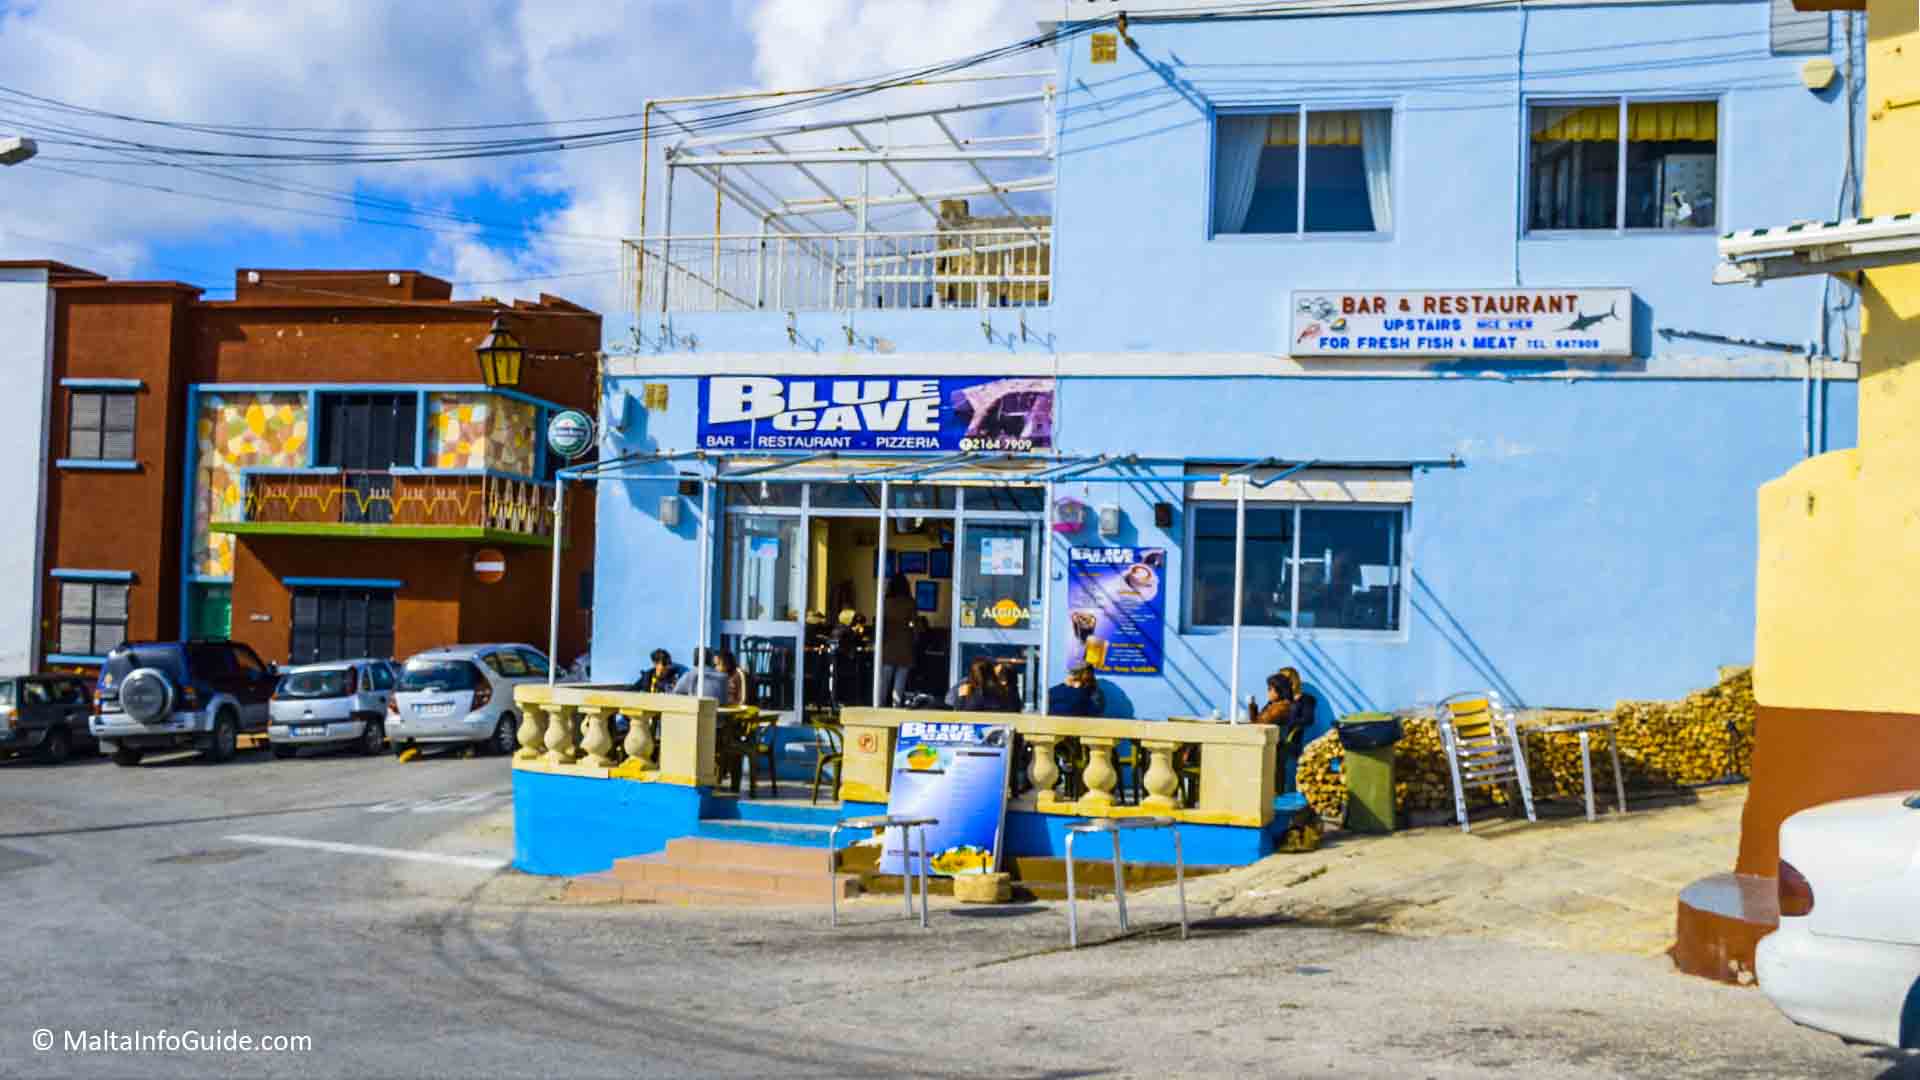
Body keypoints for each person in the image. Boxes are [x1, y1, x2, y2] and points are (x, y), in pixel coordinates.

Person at [878, 573, 919, 707]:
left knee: (884, 682)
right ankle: (896, 708)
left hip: (887, 646)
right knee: (899, 682)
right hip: (905, 646)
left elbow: (879, 624)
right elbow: (914, 625)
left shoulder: (884, 602)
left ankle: (879, 707)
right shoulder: (910, 602)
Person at [673, 649, 744, 706]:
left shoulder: (736, 674)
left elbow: (742, 699)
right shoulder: (723, 677)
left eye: (718, 664)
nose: (716, 668)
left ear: (727, 663)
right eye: (714, 665)